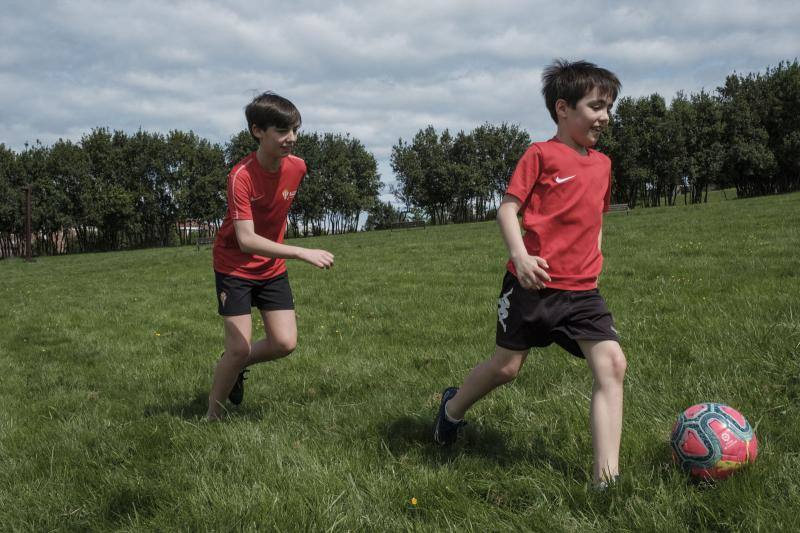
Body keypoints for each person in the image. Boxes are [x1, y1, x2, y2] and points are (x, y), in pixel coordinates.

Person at [433, 60, 626, 488]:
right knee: (505, 368)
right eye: (596, 106)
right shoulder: (539, 154)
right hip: (532, 286)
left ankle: (605, 481)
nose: (605, 116)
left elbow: (595, 218)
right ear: (563, 108)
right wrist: (519, 257)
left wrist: (596, 258)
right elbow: (508, 208)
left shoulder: (604, 164)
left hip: (583, 292)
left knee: (612, 365)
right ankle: (451, 409)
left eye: (609, 107)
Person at [207, 92, 334, 420]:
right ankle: (212, 416)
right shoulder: (241, 176)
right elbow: (246, 240)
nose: (290, 138)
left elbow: (275, 210)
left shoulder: (298, 168)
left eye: (294, 129)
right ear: (257, 131)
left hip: (270, 267)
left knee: (284, 343)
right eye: (281, 131)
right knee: (238, 347)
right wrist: (300, 251)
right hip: (234, 265)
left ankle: (234, 363)